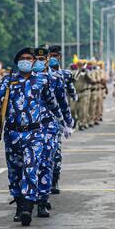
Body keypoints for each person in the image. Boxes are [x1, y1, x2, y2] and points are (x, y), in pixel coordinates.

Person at [0, 47, 61, 226]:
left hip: (34, 132)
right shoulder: (8, 81)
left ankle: (27, 208)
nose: (27, 61)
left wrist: (61, 121)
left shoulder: (42, 80)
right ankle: (19, 205)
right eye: (23, 58)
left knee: (31, 167)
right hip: (12, 133)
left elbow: (51, 102)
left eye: (30, 58)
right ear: (17, 61)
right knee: (15, 171)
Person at [33, 47, 74, 217]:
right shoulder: (22, 79)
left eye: (44, 59)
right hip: (30, 126)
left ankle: (48, 189)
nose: (41, 61)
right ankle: (28, 199)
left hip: (51, 123)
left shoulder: (57, 76)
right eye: (38, 58)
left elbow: (62, 100)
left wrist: (67, 122)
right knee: (30, 162)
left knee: (51, 157)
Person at [47, 45, 73, 194]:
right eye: (50, 56)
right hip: (35, 122)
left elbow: (63, 100)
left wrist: (67, 121)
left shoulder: (62, 75)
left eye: (55, 55)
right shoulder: (33, 78)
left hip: (55, 119)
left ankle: (54, 181)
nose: (52, 58)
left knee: (55, 153)